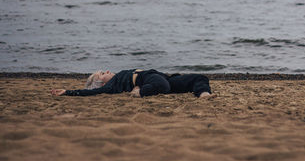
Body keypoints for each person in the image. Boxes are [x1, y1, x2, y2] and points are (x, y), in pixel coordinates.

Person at [51, 69, 213, 98]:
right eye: (102, 74)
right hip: (149, 80)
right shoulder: (111, 86)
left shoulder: (114, 79)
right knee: (163, 87)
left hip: (163, 78)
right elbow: (91, 93)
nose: (107, 71)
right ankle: (139, 93)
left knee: (200, 78)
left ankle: (204, 94)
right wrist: (68, 92)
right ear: (100, 82)